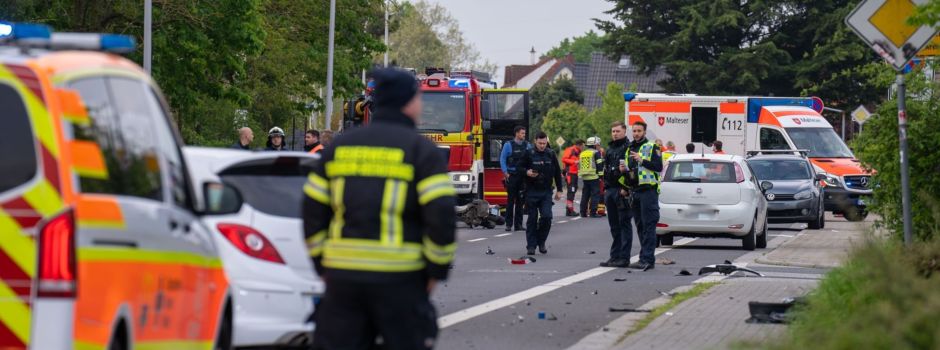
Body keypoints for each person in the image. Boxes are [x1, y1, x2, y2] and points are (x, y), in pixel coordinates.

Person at [303, 68, 456, 350]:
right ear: (408, 102)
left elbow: (312, 212)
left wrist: (321, 264)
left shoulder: (339, 148)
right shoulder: (422, 152)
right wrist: (435, 272)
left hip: (342, 279)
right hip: (400, 280)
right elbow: (442, 217)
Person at [621, 121, 663, 270]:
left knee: (649, 226)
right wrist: (624, 171)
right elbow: (631, 171)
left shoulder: (652, 147)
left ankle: (647, 259)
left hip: (648, 191)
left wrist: (642, 160)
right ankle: (643, 257)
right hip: (635, 191)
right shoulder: (629, 148)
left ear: (645, 132)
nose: (636, 133)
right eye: (634, 131)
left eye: (639, 131)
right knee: (640, 226)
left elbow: (659, 167)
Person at [519, 132, 564, 255]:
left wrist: (560, 190)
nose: (542, 146)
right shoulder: (528, 153)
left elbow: (557, 172)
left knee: (547, 217)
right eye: (540, 143)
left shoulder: (550, 153)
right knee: (532, 219)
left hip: (546, 191)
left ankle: (541, 241)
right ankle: (531, 246)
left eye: (544, 143)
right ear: (535, 141)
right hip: (531, 191)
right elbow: (519, 168)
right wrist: (526, 172)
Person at [600, 121, 632, 268]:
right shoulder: (610, 149)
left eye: (618, 131)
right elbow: (606, 170)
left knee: (624, 224)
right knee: (614, 226)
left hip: (621, 190)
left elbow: (632, 170)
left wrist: (626, 188)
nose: (615, 134)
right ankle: (614, 256)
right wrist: (605, 189)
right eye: (613, 131)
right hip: (610, 190)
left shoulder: (628, 148)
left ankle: (624, 258)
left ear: (624, 131)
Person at [499, 125, 532, 232]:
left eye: (524, 133)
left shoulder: (527, 145)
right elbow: (502, 159)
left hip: (523, 176)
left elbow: (532, 157)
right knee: (510, 201)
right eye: (522, 133)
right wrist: (505, 172)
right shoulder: (508, 145)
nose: (524, 135)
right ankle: (508, 224)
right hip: (512, 176)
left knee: (520, 201)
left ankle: (518, 225)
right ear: (517, 133)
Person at [579, 136, 603, 217]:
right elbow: (599, 165)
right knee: (595, 195)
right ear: (595, 145)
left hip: (585, 177)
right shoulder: (596, 153)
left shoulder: (582, 153)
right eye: (598, 144)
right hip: (594, 177)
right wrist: (601, 176)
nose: (598, 146)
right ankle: (593, 212)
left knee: (585, 195)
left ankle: (582, 212)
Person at [561, 140, 583, 217]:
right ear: (578, 145)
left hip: (574, 173)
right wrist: (574, 162)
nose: (583, 147)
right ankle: (570, 210)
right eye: (582, 146)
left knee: (573, 190)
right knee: (571, 191)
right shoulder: (570, 150)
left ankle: (568, 210)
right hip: (570, 173)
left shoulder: (578, 152)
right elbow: (563, 159)